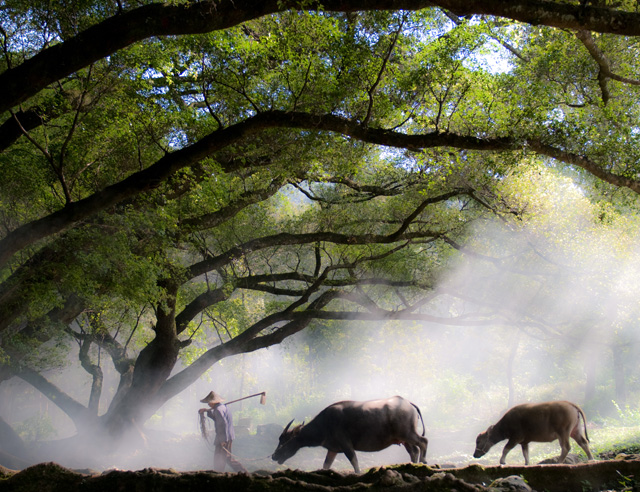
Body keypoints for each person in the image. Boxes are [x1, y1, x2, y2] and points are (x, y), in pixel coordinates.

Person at [198, 391, 247, 473]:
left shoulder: (218, 410)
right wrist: (208, 411)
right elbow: (218, 420)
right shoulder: (223, 407)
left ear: (213, 402)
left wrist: (222, 440)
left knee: (220, 458)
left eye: (209, 403)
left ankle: (220, 474)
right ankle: (241, 472)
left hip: (224, 438)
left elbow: (222, 425)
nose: (208, 404)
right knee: (226, 458)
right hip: (228, 436)